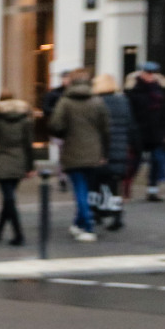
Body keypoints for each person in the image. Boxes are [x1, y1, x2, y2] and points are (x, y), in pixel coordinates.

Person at [49, 70, 110, 243]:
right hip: (94, 152)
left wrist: (64, 133)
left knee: (79, 189)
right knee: (86, 189)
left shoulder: (65, 101)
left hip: (72, 151)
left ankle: (87, 225)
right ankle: (79, 223)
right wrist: (104, 153)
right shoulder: (97, 101)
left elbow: (55, 125)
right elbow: (106, 129)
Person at [0, 89, 35, 246]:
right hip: (19, 161)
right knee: (8, 198)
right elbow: (28, 146)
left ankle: (18, 234)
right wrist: (30, 166)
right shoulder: (25, 120)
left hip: (3, 160)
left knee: (9, 198)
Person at [93, 73, 138, 230]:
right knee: (115, 184)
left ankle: (97, 213)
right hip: (120, 148)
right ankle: (117, 216)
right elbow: (131, 125)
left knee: (96, 183)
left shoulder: (96, 102)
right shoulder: (123, 101)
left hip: (100, 149)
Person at [124, 61, 165, 201]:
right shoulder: (135, 88)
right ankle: (126, 188)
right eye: (148, 73)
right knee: (133, 163)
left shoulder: (161, 90)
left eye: (154, 73)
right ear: (142, 73)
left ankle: (152, 190)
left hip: (158, 132)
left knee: (157, 161)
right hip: (139, 131)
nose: (151, 76)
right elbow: (128, 105)